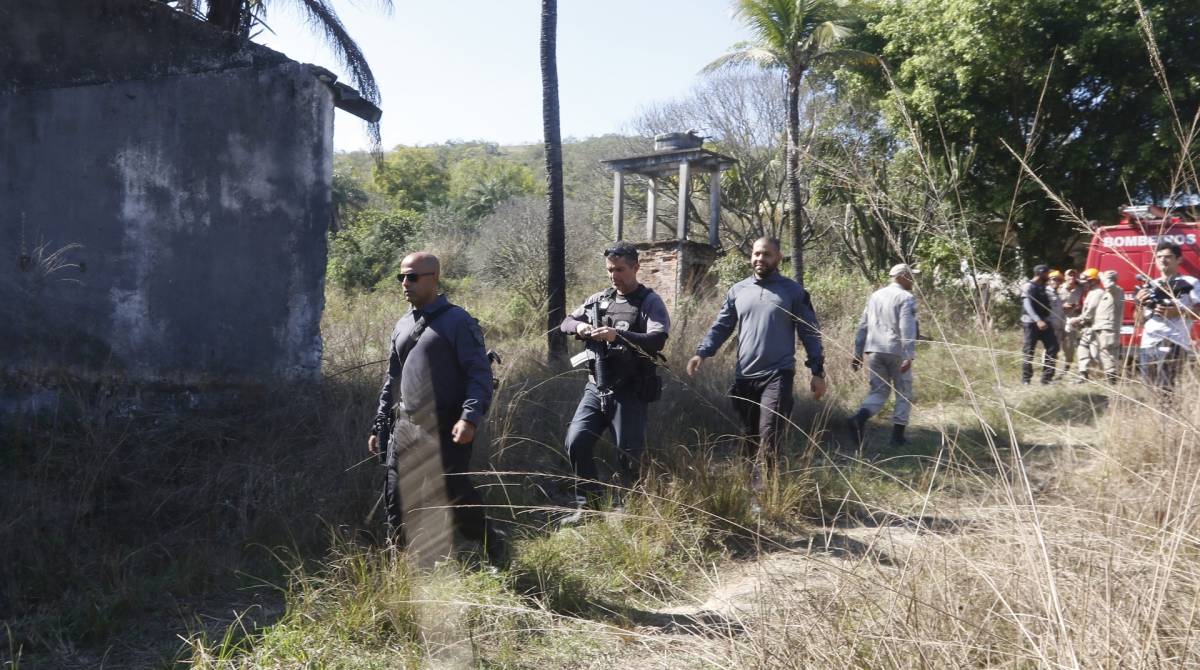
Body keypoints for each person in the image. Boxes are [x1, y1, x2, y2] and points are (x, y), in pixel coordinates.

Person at [368, 252, 505, 564]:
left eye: (413, 277)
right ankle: (399, 569)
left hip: (445, 428)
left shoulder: (458, 321)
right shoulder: (402, 323)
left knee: (455, 496)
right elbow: (392, 379)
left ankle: (493, 548)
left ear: (434, 278)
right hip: (405, 426)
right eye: (401, 276)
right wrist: (380, 425)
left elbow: (478, 374)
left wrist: (469, 417)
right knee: (396, 499)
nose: (405, 283)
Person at [687, 237, 826, 490]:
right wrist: (702, 352)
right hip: (744, 377)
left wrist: (817, 371)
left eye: (767, 254)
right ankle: (749, 488)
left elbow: (810, 332)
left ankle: (765, 495)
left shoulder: (793, 292)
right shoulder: (738, 290)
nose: (760, 259)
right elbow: (722, 326)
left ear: (779, 258)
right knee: (748, 436)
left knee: (770, 434)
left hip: (778, 374)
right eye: (756, 254)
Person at [559, 241, 670, 522]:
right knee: (577, 442)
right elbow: (565, 322)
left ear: (635, 267)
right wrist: (580, 326)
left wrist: (617, 336)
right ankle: (590, 508)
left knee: (629, 455)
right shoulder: (598, 300)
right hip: (596, 386)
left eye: (620, 269)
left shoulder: (648, 301)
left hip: (630, 389)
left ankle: (635, 513)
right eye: (610, 270)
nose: (614, 275)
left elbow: (657, 339)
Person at [848, 264, 919, 447]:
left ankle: (860, 418)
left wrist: (858, 353)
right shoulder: (906, 297)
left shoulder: (875, 296)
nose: (913, 280)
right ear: (902, 276)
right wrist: (908, 355)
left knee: (878, 391)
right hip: (896, 351)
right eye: (911, 276)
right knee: (903, 392)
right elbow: (906, 327)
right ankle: (897, 437)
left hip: (874, 351)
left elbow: (863, 325)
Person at [1135, 241, 1198, 392]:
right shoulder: (1150, 285)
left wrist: (1176, 312)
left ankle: (1168, 415)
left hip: (1174, 341)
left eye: (1168, 257)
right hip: (1148, 343)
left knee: (1166, 388)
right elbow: (1139, 321)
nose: (1163, 260)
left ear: (1179, 260)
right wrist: (1139, 303)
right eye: (1159, 257)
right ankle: (1155, 415)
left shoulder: (1190, 283)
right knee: (1149, 388)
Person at [1070, 269, 1123, 383]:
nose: (1084, 284)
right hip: (1096, 327)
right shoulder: (1099, 293)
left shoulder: (1115, 291)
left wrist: (1079, 320)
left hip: (1107, 329)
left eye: (1087, 281)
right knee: (1090, 351)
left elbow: (1090, 312)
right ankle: (1085, 375)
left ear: (1093, 281)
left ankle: (1112, 381)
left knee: (1105, 354)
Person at [1020, 264, 1060, 385]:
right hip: (1031, 323)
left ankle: (1046, 379)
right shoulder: (1028, 286)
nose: (1049, 276)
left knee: (1053, 347)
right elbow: (1027, 305)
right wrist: (1037, 320)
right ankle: (1026, 379)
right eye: (1047, 273)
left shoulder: (1043, 287)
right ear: (1041, 273)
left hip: (1044, 322)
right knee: (1029, 350)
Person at [1058, 269, 1088, 373]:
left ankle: (1065, 368)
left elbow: (1087, 280)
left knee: (1069, 346)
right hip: (1058, 320)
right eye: (1069, 276)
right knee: (1053, 345)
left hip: (1072, 320)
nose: (1071, 278)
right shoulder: (1059, 288)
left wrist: (1078, 307)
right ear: (1065, 277)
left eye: (1074, 276)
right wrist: (1062, 305)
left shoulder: (1081, 288)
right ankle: (1047, 368)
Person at [1047, 270, 1067, 375]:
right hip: (1050, 328)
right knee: (1050, 351)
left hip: (1059, 328)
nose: (1056, 282)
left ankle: (1050, 374)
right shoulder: (1046, 293)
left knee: (1055, 351)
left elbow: (1061, 313)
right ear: (1049, 280)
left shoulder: (1058, 295)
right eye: (1054, 279)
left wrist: (1063, 329)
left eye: (1059, 280)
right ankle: (1047, 374)